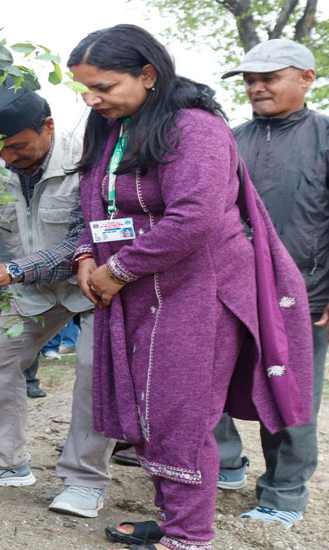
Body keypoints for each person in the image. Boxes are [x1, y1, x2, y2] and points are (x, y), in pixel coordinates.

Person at [69, 24, 313, 550]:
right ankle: (175, 517)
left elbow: (193, 217)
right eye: (85, 89)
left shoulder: (195, 127)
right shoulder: (111, 125)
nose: (93, 100)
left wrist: (118, 270)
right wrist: (86, 255)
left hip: (199, 292)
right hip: (136, 291)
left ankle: (190, 534)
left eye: (104, 87)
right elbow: (91, 200)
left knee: (181, 413)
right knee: (150, 408)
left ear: (148, 75)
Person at [0, 83, 113, 519]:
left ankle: (85, 480)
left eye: (18, 146)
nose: (8, 158)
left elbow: (85, 238)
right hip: (27, 284)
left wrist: (13, 270)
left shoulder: (91, 158)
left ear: (48, 126)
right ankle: (4, 462)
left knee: (94, 370)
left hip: (95, 282)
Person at [214, 38, 328, 527]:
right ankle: (224, 464)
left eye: (269, 78)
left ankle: (283, 496)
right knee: (209, 381)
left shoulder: (325, 136)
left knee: (289, 393)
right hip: (228, 288)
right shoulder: (228, 139)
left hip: (302, 292)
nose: (257, 88)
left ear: (307, 78)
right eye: (249, 80)